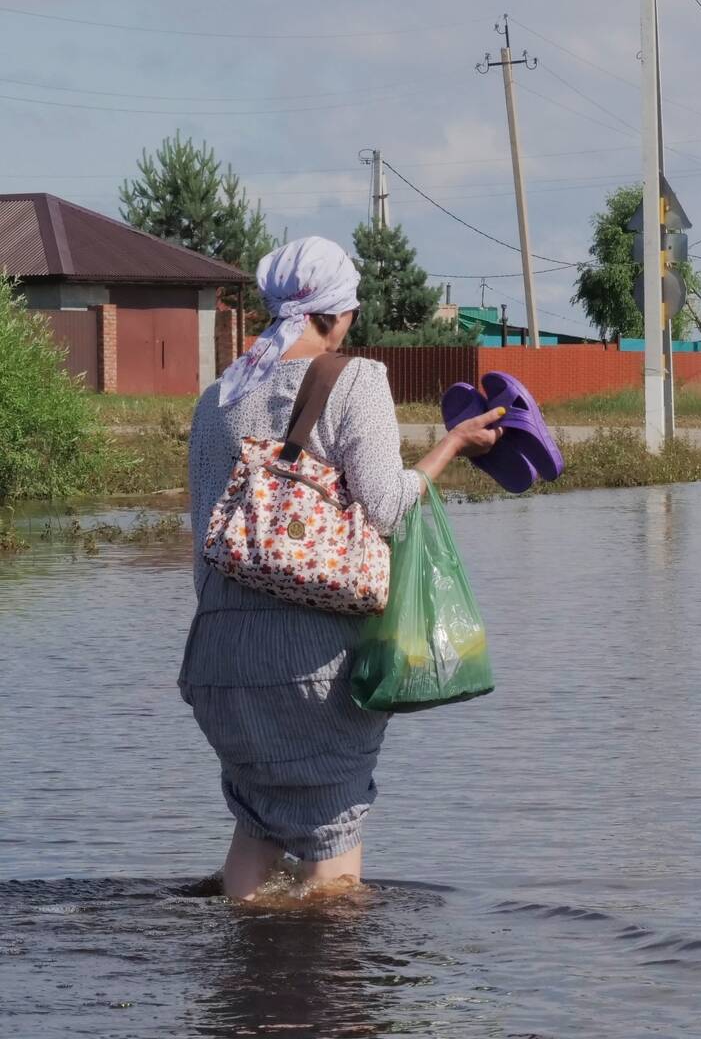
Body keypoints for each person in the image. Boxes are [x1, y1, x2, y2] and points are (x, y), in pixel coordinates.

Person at [180, 237, 504, 901]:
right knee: (332, 845)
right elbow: (386, 508)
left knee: (256, 827)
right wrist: (453, 445)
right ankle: (333, 998)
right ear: (333, 314)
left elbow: (205, 538)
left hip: (217, 666)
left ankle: (244, 990)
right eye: (350, 307)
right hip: (311, 669)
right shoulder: (356, 379)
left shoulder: (216, 396)